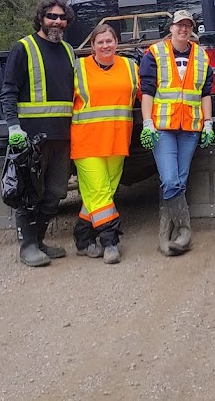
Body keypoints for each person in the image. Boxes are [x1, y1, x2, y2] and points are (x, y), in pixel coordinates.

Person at [0, 0, 76, 268]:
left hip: (62, 138)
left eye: (61, 17)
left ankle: (40, 240)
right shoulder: (24, 48)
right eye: (51, 17)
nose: (57, 22)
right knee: (29, 192)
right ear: (41, 19)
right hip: (31, 138)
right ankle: (28, 246)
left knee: (55, 192)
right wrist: (13, 127)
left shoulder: (68, 51)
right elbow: (8, 91)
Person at [139, 9, 214, 256]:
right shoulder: (155, 54)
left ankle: (166, 235)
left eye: (188, 25)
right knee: (170, 180)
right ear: (170, 28)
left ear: (192, 29)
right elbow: (147, 91)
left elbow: (205, 93)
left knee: (178, 182)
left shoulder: (202, 56)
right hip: (163, 128)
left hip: (190, 128)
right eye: (179, 25)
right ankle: (184, 230)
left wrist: (209, 123)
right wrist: (147, 123)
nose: (183, 29)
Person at [70, 24, 139, 264]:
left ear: (117, 43)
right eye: (100, 42)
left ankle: (82, 237)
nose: (105, 45)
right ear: (92, 46)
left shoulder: (130, 68)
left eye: (109, 41)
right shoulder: (78, 69)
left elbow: (148, 95)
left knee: (103, 193)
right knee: (99, 192)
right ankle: (110, 241)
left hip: (118, 141)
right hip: (86, 143)